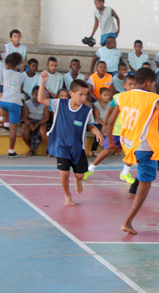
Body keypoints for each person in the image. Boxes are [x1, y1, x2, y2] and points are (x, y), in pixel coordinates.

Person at [105, 67, 159, 234]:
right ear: (147, 83)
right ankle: (128, 221)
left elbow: (110, 121)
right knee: (145, 185)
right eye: (153, 83)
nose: (154, 87)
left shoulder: (122, 96)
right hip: (144, 146)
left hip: (130, 144)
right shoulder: (151, 97)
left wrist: (110, 141)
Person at [39, 72, 104, 206]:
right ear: (71, 93)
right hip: (61, 145)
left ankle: (78, 180)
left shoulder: (87, 111)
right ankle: (67, 196)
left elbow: (90, 125)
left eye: (85, 94)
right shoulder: (60, 104)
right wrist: (42, 81)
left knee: (80, 175)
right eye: (80, 94)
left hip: (77, 147)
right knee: (64, 173)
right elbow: (40, 99)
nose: (83, 97)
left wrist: (97, 132)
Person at [84, 74, 136, 184]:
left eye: (134, 84)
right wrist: (105, 125)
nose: (132, 87)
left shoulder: (138, 99)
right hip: (116, 130)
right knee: (106, 150)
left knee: (131, 153)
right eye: (130, 84)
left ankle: (125, 173)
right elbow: (110, 112)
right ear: (124, 85)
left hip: (129, 132)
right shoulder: (118, 97)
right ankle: (90, 169)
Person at [0, 52, 24, 158]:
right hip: (14, 103)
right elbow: (21, 87)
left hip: (3, 102)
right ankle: (11, 150)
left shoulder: (4, 72)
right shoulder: (21, 76)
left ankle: (6, 124)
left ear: (8, 64)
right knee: (13, 130)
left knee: (5, 106)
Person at [21, 86, 49, 156]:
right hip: (30, 121)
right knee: (24, 131)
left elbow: (46, 117)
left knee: (42, 131)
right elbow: (24, 117)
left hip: (41, 121)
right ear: (32, 94)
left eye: (40, 94)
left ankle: (49, 149)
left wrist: (38, 124)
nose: (38, 96)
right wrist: (30, 124)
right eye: (36, 94)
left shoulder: (44, 104)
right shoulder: (27, 103)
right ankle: (31, 148)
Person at [90, 87, 112, 156]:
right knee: (99, 132)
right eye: (105, 95)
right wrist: (104, 125)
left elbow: (111, 115)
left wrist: (107, 124)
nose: (107, 97)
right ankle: (93, 150)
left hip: (107, 123)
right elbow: (98, 117)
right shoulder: (96, 104)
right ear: (100, 95)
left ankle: (108, 149)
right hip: (99, 123)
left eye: (108, 95)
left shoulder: (111, 104)